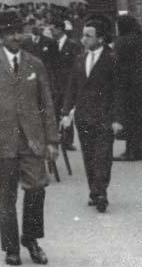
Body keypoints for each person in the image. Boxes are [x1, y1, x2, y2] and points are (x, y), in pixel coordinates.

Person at [0, 10, 58, 266]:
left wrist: (52, 140)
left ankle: (30, 239)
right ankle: (11, 248)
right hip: (2, 140)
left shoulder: (35, 64)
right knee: (5, 196)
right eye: (10, 32)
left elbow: (46, 103)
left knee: (36, 188)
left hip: (32, 140)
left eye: (19, 31)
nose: (16, 36)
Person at [60, 19, 124, 213]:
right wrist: (65, 112)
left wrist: (117, 119)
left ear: (101, 38)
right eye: (83, 35)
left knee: (103, 155)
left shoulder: (112, 59)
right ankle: (94, 191)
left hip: (105, 116)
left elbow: (119, 91)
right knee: (88, 155)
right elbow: (72, 87)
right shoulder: (80, 59)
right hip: (83, 116)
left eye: (88, 35)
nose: (83, 39)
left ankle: (101, 191)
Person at [113, 15, 142, 161]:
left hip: (128, 85)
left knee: (130, 118)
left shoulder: (122, 42)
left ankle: (131, 151)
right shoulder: (139, 38)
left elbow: (117, 64)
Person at [50, 17, 81, 151]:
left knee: (66, 111)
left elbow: (77, 65)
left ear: (60, 29)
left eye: (53, 29)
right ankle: (55, 138)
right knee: (54, 112)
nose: (51, 31)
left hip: (68, 84)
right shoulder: (51, 44)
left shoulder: (73, 45)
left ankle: (67, 141)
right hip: (54, 84)